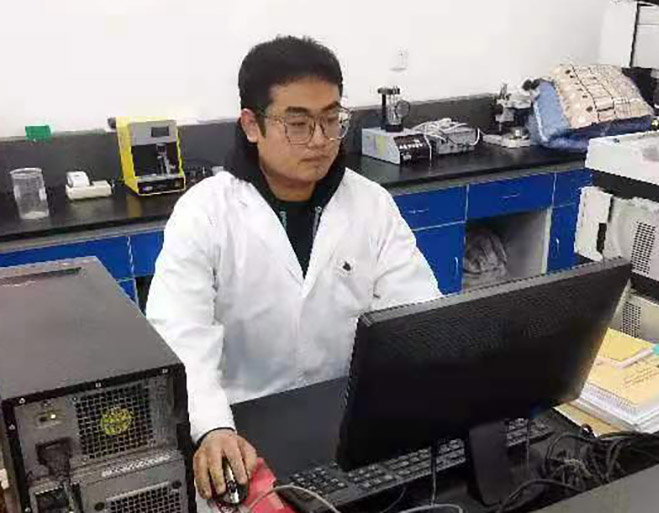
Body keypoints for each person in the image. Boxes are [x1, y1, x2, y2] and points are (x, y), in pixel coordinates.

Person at [146, 35, 440, 505]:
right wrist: (213, 427)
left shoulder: (371, 204)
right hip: (242, 428)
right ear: (252, 125)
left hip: (347, 422)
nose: (320, 140)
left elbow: (416, 314)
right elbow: (181, 336)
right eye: (298, 124)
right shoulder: (204, 212)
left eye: (331, 119)